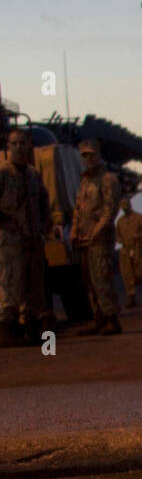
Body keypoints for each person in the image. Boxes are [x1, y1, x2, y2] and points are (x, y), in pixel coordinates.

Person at [0, 129, 53, 347]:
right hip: (10, 241)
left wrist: (44, 225)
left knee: (34, 286)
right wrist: (7, 224)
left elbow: (43, 199)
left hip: (32, 239)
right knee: (11, 285)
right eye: (15, 143)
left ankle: (31, 328)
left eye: (23, 143)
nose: (20, 147)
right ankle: (6, 331)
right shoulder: (2, 173)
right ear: (8, 147)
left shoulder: (33, 174)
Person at [69, 139, 122, 336]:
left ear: (98, 155)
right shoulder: (84, 182)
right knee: (89, 281)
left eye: (91, 154)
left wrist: (96, 233)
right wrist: (75, 231)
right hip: (85, 240)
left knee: (102, 279)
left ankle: (112, 319)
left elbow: (110, 211)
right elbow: (78, 209)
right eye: (84, 155)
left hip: (100, 240)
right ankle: (98, 318)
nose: (88, 159)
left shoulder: (108, 180)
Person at [116, 198, 142, 307]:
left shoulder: (139, 218)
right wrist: (120, 240)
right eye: (122, 206)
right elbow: (117, 235)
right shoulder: (120, 221)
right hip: (126, 250)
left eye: (126, 205)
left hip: (138, 248)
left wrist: (140, 236)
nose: (125, 208)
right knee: (127, 274)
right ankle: (131, 297)